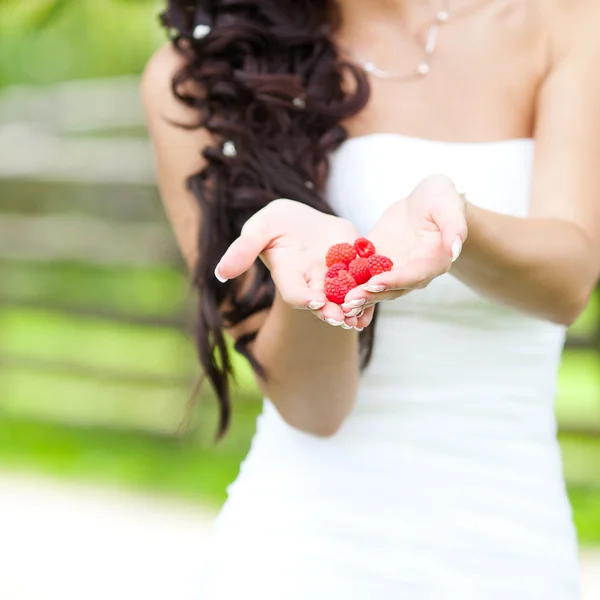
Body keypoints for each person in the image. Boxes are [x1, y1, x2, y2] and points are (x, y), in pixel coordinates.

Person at [142, 0, 600, 598]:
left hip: (515, 542)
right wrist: (323, 284)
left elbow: (568, 283)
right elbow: (314, 408)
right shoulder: (202, 74)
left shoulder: (564, 20)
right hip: (300, 555)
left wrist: (459, 226)